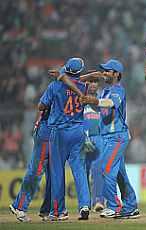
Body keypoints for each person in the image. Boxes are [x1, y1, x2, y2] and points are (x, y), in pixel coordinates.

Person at [81, 59, 139, 219]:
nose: (104, 73)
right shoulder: (105, 90)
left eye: (107, 71)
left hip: (117, 137)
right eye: (104, 70)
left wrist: (94, 100)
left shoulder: (118, 90)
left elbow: (110, 104)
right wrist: (92, 75)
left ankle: (114, 206)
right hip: (107, 137)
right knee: (120, 175)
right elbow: (80, 84)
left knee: (105, 169)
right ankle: (131, 206)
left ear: (116, 74)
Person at [39, 57, 91, 221]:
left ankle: (59, 211)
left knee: (57, 172)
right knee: (79, 170)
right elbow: (82, 80)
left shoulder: (54, 86)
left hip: (59, 132)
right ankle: (84, 205)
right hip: (78, 131)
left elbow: (41, 106)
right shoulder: (84, 87)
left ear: (66, 69)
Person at [9, 96, 52, 222]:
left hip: (54, 135)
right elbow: (41, 107)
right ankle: (19, 206)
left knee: (55, 174)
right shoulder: (56, 89)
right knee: (36, 172)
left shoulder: (64, 90)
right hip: (46, 134)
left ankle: (47, 210)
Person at [82, 79, 105, 212]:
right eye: (90, 81)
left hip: (99, 137)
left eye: (95, 81)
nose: (93, 84)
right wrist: (83, 136)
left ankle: (99, 200)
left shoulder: (102, 97)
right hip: (83, 137)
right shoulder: (80, 97)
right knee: (83, 171)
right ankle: (85, 203)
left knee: (98, 169)